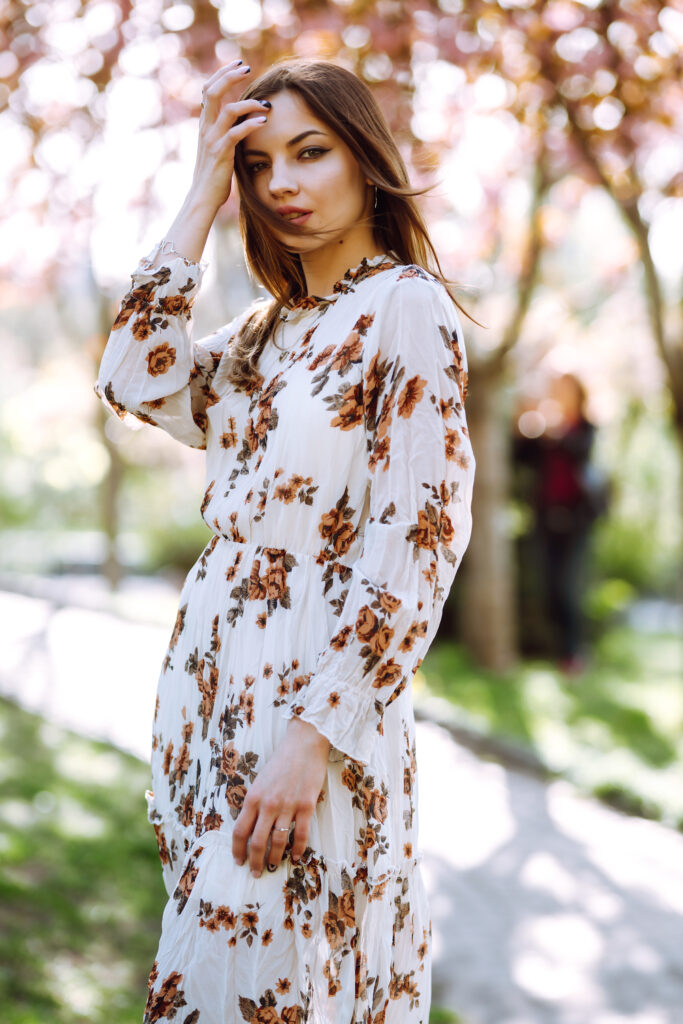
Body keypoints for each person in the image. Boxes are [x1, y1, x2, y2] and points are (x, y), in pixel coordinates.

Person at [94, 57, 476, 1024]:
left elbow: (418, 539)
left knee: (274, 977)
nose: (283, 187)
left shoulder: (405, 309)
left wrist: (315, 737)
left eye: (310, 153)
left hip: (310, 703)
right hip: (214, 680)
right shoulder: (268, 333)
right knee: (218, 969)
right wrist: (196, 195)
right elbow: (134, 380)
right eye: (257, 166)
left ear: (364, 158)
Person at [513, 373, 604, 675]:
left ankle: (573, 653)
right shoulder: (545, 432)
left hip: (577, 519)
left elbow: (580, 452)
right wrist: (522, 427)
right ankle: (558, 652)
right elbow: (522, 458)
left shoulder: (585, 430)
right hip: (545, 517)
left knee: (567, 586)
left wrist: (552, 431)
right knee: (549, 587)